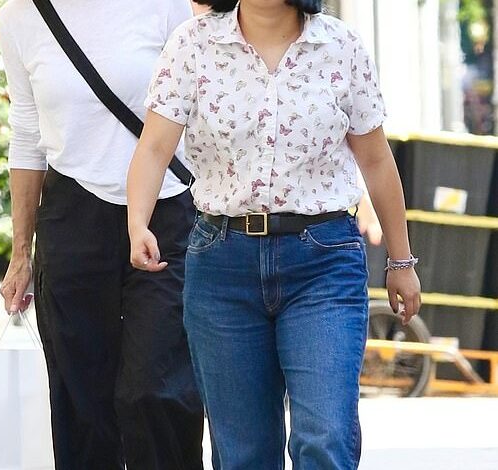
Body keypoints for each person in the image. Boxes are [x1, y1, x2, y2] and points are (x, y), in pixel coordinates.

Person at [127, 0, 422, 468]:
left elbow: (376, 161)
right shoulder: (193, 44)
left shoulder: (340, 45)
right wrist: (137, 222)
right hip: (222, 263)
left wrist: (401, 263)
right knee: (244, 454)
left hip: (323, 262)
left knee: (325, 438)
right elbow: (155, 145)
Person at [0, 1, 204, 468]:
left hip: (165, 210)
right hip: (72, 217)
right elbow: (26, 133)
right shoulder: (20, 16)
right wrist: (20, 253)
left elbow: (202, 105)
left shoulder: (165, 6)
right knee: (81, 394)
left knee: (159, 388)